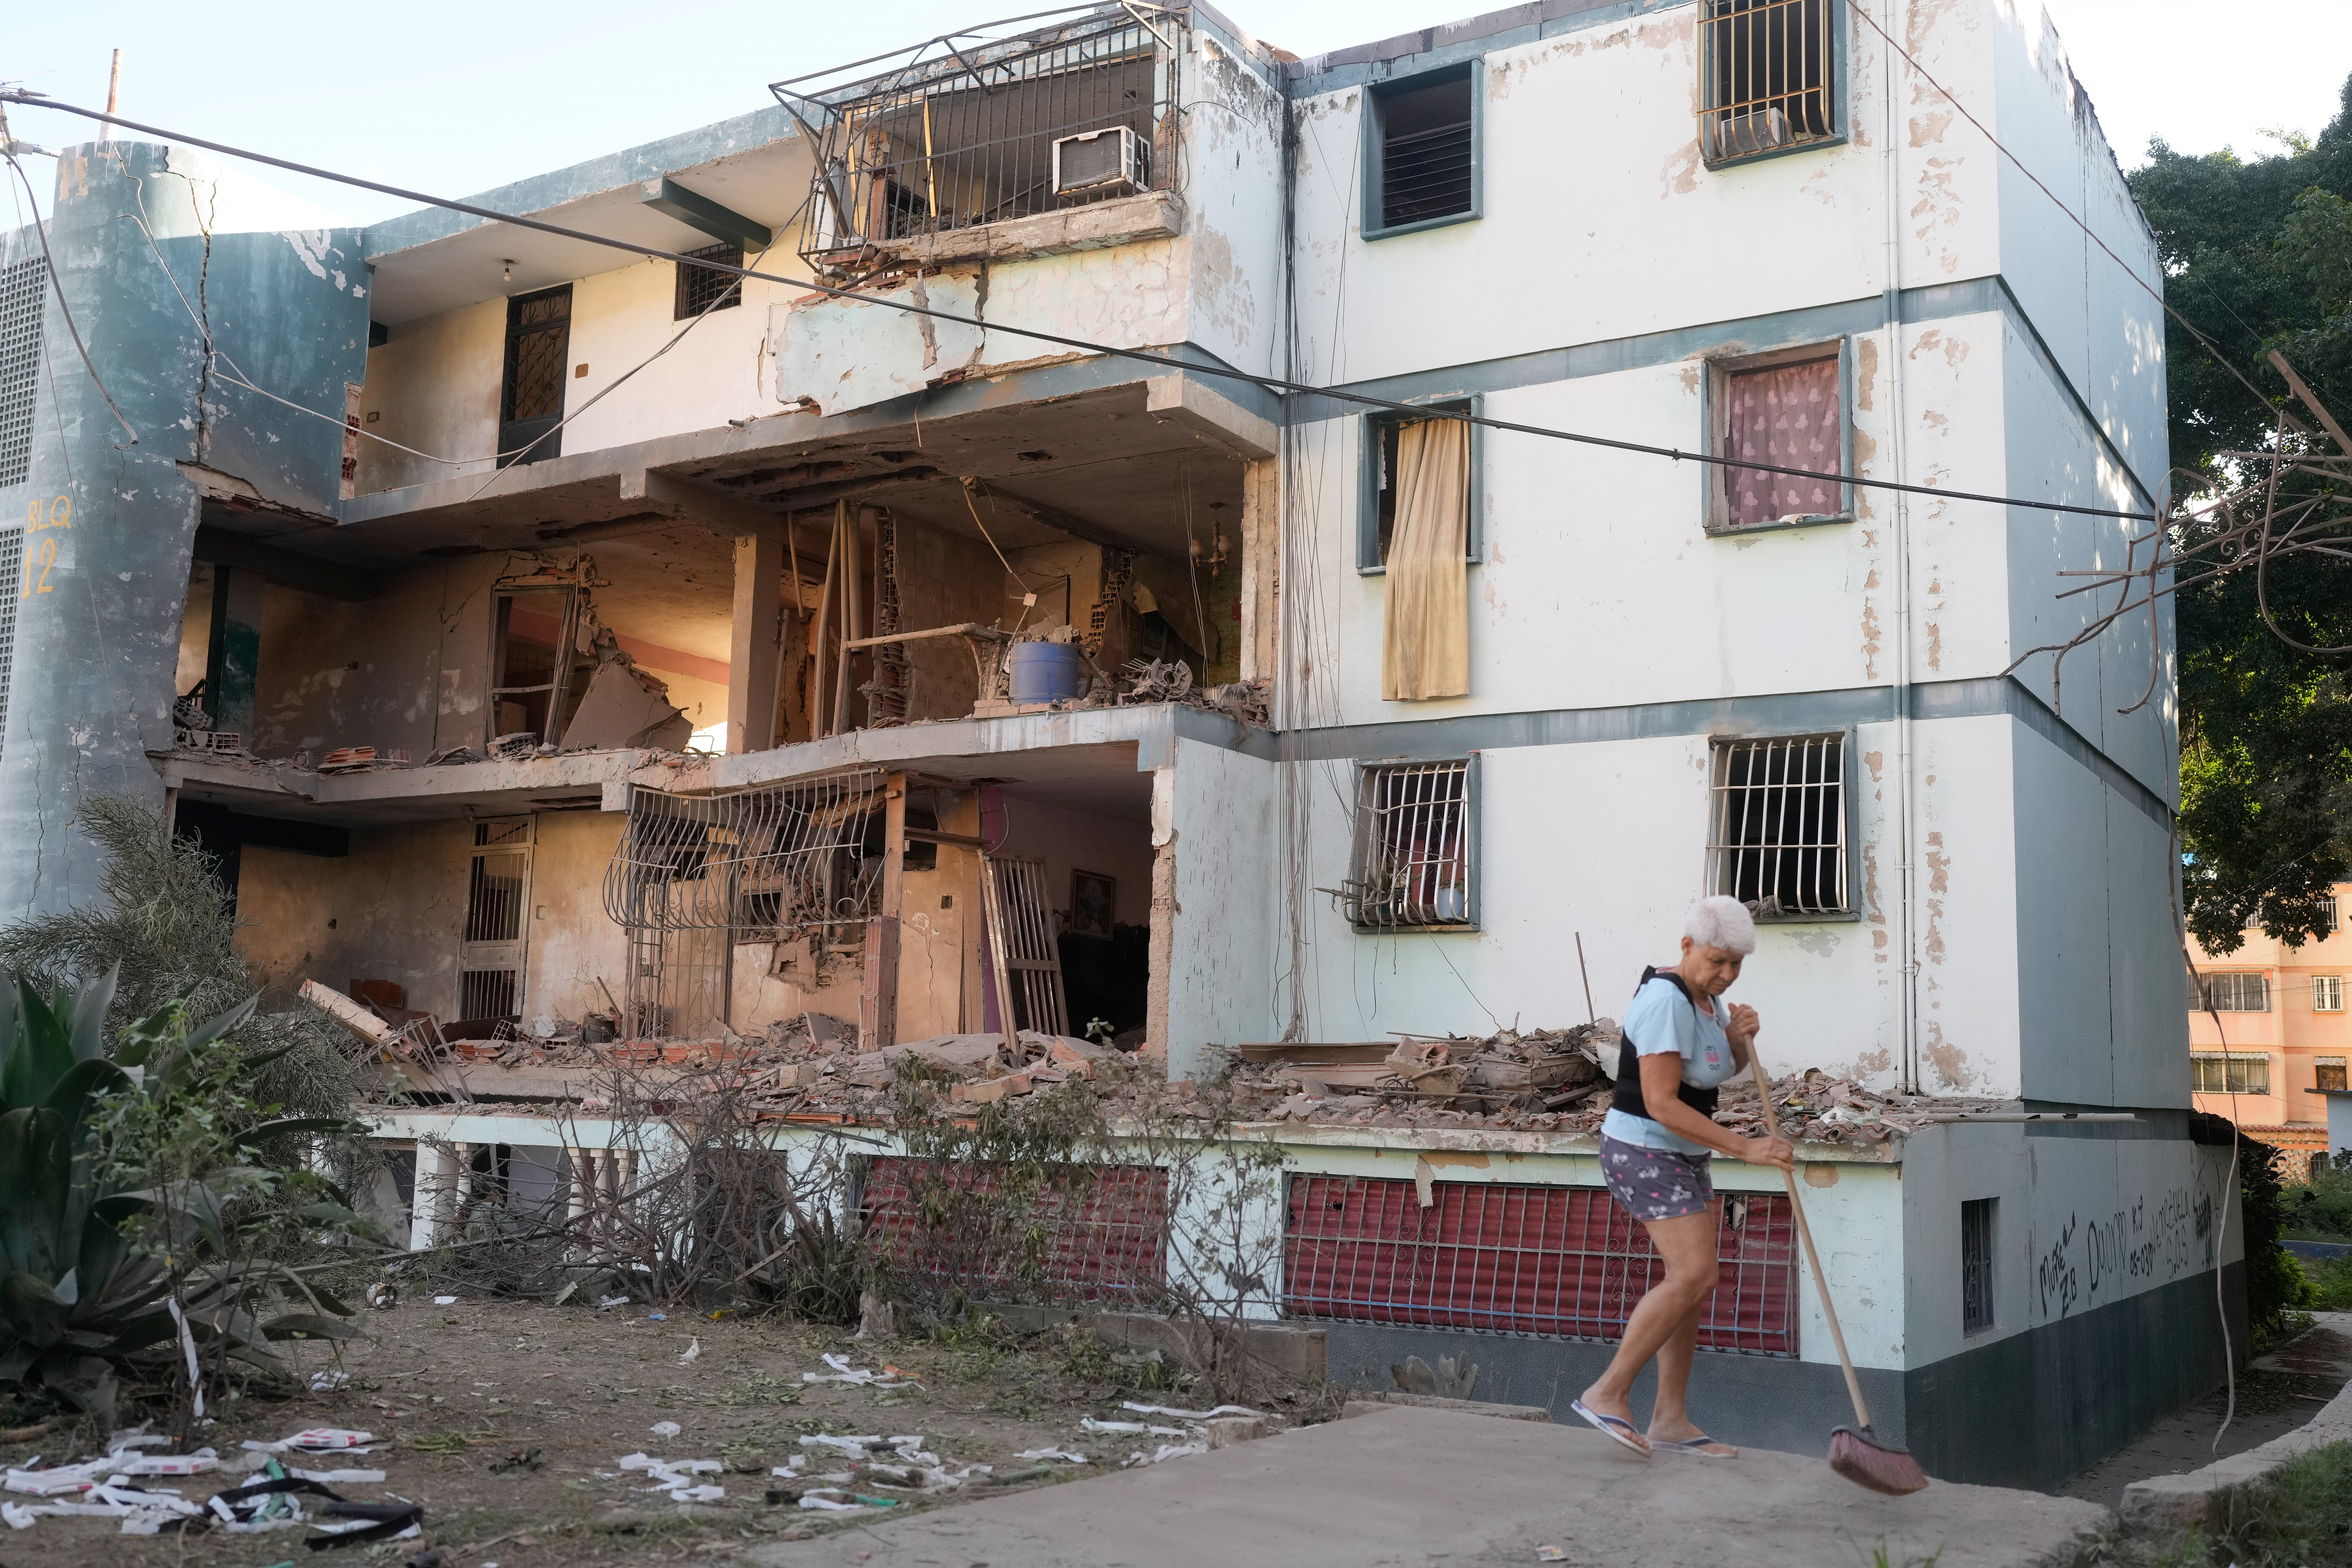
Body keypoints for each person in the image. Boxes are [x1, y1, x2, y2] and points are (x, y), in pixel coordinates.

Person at [1571, 895, 1794, 1459]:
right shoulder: (1666, 1000)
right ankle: (1606, 1392)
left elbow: (1717, 1073)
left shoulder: (1707, 1000)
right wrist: (1746, 1148)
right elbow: (1663, 1103)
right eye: (1717, 960)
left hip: (1682, 1153)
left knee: (1693, 1283)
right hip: (1644, 1149)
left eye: (1736, 965)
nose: (1726, 974)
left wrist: (1741, 1038)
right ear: (1687, 947)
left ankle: (1670, 1420)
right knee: (1695, 1274)